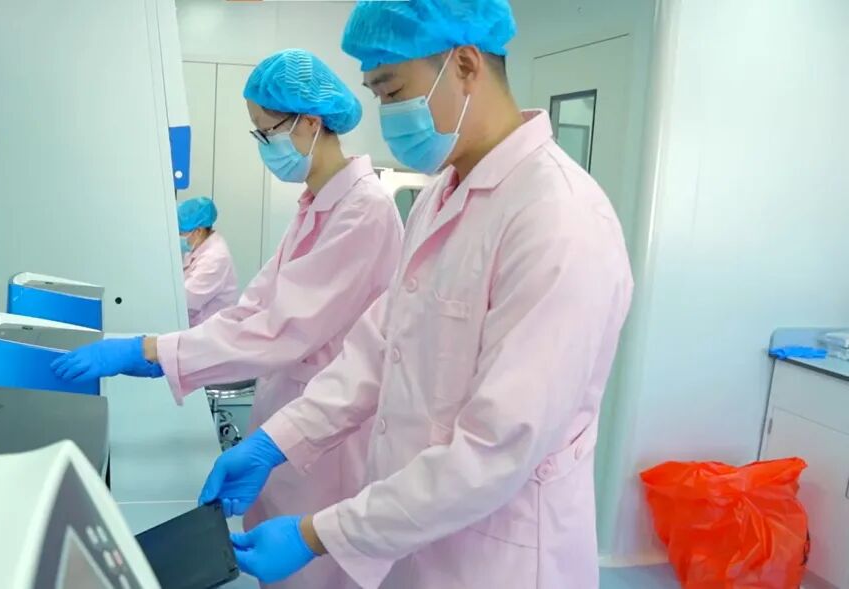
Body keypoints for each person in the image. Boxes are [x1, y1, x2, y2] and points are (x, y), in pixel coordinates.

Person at [196, 1, 635, 588]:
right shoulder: (439, 196)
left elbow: (497, 447)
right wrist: (276, 442)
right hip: (412, 540)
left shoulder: (559, 219)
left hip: (496, 562)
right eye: (376, 94)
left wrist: (319, 535)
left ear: (466, 65)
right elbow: (379, 350)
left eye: (393, 90)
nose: (386, 115)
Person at [52, 48, 404, 588]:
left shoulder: (365, 210)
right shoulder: (317, 204)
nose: (264, 145)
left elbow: (281, 328)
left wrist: (149, 351)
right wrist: (156, 350)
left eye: (268, 131)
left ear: (310, 123)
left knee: (315, 576)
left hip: (330, 438)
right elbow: (254, 306)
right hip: (289, 415)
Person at [176, 197, 239, 327]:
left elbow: (185, 301)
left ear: (198, 231)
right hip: (198, 328)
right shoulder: (197, 246)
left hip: (212, 331)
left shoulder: (215, 258)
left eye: (181, 232)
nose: (180, 237)